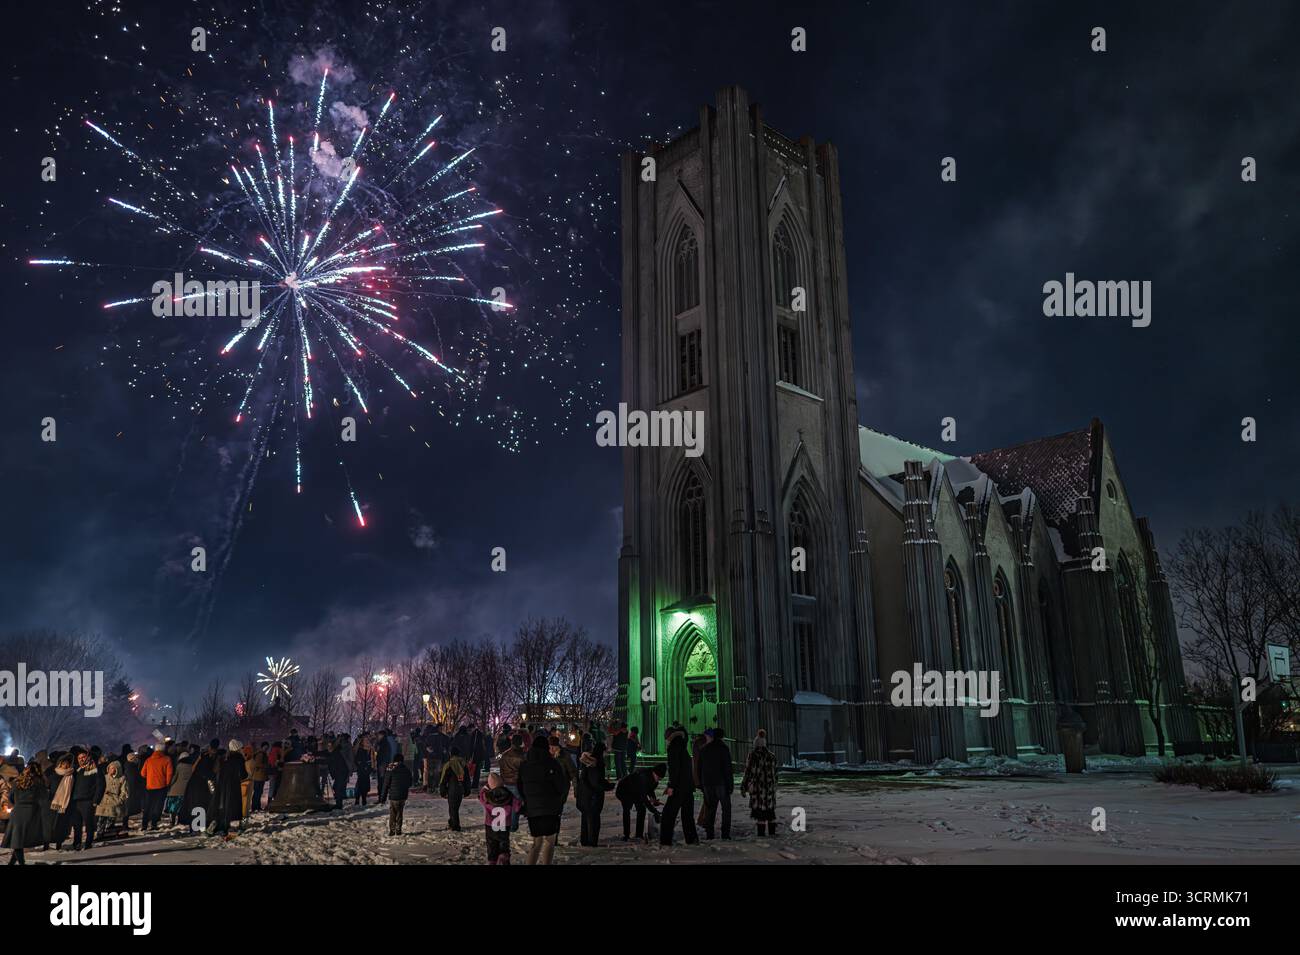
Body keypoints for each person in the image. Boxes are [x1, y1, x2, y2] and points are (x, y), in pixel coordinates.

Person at [518, 733, 568, 865]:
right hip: (550, 808)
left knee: (536, 842)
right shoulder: (552, 763)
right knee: (550, 841)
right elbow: (560, 785)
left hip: (533, 810)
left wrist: (528, 800)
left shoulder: (524, 765)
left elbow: (520, 786)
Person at [659, 725, 698, 846]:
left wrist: (671, 785)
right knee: (687, 816)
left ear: (669, 737)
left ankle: (665, 841)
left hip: (679, 787)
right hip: (688, 786)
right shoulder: (682, 746)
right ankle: (692, 839)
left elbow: (674, 768)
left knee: (668, 815)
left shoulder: (673, 747)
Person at [3, 764, 46, 864]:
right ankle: (20, 863)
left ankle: (15, 863)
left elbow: (11, 798)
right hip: (31, 812)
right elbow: (43, 798)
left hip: (17, 812)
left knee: (18, 839)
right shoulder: (39, 782)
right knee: (19, 840)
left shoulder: (17, 782)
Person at [740, 729, 779, 837]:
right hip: (769, 790)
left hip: (758, 790)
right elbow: (776, 774)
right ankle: (772, 833)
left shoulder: (753, 756)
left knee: (760, 814)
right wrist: (773, 786)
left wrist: (744, 786)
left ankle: (761, 835)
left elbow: (748, 772)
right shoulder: (772, 756)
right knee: (770, 813)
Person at [478, 772, 522, 865]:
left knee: (491, 845)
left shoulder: (487, 796)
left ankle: (492, 860)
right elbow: (517, 806)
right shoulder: (509, 795)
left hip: (490, 826)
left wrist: (486, 787)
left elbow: (481, 796)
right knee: (504, 843)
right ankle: (503, 857)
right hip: (504, 826)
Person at [576, 742, 615, 847]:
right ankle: (592, 841)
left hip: (584, 794)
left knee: (585, 818)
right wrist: (608, 786)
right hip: (592, 796)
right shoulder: (597, 763)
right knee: (593, 819)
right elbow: (596, 782)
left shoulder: (587, 762)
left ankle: (585, 840)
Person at [698, 727, 734, 840]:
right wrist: (730, 784)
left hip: (708, 783)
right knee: (726, 809)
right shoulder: (724, 749)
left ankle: (710, 834)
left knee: (710, 809)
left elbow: (699, 768)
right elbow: (727, 768)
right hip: (721, 782)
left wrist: (701, 783)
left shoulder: (704, 749)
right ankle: (725, 834)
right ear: (722, 737)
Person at [614, 762, 664, 842]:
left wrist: (654, 800)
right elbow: (644, 798)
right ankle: (626, 835)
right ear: (654, 773)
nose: (659, 780)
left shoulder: (655, 779)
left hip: (636, 791)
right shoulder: (643, 777)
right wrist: (654, 811)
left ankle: (639, 835)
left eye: (660, 779)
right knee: (627, 810)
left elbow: (650, 790)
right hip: (625, 790)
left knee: (642, 810)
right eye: (658, 777)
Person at [68, 750, 105, 851]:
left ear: (88, 757)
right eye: (79, 758)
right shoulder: (77, 770)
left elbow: (100, 786)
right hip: (76, 801)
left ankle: (88, 842)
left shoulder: (95, 769)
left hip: (88, 801)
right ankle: (77, 843)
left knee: (89, 824)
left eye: (83, 757)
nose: (81, 759)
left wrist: (96, 800)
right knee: (77, 825)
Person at [213, 740, 248, 838]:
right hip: (233, 784)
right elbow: (243, 774)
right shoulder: (239, 758)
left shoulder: (227, 757)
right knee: (230, 804)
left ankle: (222, 825)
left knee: (224, 804)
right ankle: (225, 827)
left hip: (223, 784)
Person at [497, 733, 527, 832]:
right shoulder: (521, 756)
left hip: (506, 782)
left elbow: (501, 767)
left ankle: (506, 823)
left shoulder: (505, 754)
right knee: (516, 805)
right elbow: (524, 771)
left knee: (507, 804)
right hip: (516, 783)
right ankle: (513, 825)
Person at [141, 745, 174, 831]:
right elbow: (169, 774)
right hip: (161, 787)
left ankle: (144, 825)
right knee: (158, 806)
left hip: (149, 787)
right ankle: (154, 824)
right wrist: (167, 784)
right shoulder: (167, 759)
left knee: (148, 806)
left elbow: (143, 774)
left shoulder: (148, 760)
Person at [94, 760, 128, 839]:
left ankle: (108, 832)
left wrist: (120, 800)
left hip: (114, 801)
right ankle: (100, 834)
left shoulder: (121, 779)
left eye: (113, 768)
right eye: (109, 768)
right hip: (104, 801)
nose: (110, 770)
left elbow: (124, 791)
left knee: (111, 819)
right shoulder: (104, 777)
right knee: (101, 819)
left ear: (117, 769)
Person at [383, 753, 413, 835]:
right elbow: (410, 783)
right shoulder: (406, 769)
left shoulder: (391, 769)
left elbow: (386, 783)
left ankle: (392, 830)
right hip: (403, 795)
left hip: (393, 795)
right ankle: (398, 829)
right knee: (400, 812)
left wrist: (383, 797)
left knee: (393, 813)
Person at [439, 746, 467, 831]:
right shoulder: (463, 764)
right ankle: (452, 823)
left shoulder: (448, 765)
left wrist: (442, 791)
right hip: (460, 789)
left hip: (452, 790)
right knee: (455, 808)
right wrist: (467, 790)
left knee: (453, 809)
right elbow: (467, 779)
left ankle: (455, 826)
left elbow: (443, 780)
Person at [167, 749, 194, 827]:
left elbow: (174, 777)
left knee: (173, 808)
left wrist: (169, 785)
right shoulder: (192, 766)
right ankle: (180, 821)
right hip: (186, 790)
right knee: (181, 807)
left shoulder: (179, 766)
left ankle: (172, 821)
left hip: (175, 790)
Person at [327, 738, 350, 811]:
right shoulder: (333, 752)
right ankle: (338, 803)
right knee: (336, 788)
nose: (329, 747)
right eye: (328, 746)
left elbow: (327, 760)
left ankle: (339, 805)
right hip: (340, 773)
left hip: (341, 773)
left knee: (338, 788)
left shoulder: (335, 753)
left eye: (330, 746)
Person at [247, 742, 269, 812]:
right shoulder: (260, 754)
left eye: (267, 748)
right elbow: (258, 764)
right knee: (258, 792)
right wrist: (265, 766)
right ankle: (255, 807)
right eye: (265, 747)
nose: (266, 749)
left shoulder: (260, 753)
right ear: (262, 747)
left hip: (258, 776)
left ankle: (256, 806)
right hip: (259, 776)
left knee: (258, 792)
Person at [354, 736, 373, 806]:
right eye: (365, 740)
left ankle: (364, 798)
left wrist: (370, 767)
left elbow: (371, 759)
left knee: (365, 784)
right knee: (360, 784)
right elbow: (357, 760)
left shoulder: (370, 749)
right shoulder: (360, 750)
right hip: (362, 770)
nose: (367, 741)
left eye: (367, 740)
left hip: (367, 770)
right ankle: (358, 799)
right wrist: (362, 765)